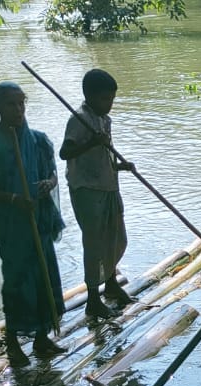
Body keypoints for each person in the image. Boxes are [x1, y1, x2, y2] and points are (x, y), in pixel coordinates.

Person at [0, 81, 67, 367]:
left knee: (44, 276)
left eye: (21, 103)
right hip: (12, 223)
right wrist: (13, 198)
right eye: (11, 104)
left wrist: (47, 184)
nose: (18, 109)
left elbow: (53, 174)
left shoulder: (38, 140)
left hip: (39, 218)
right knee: (17, 281)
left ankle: (42, 337)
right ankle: (13, 341)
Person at [60, 68, 135, 320]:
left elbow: (105, 155)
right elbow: (65, 153)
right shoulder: (79, 119)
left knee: (116, 238)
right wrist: (91, 142)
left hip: (109, 185)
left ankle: (111, 284)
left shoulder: (104, 120)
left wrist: (121, 166)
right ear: (90, 96)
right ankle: (93, 299)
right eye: (105, 99)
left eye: (112, 99)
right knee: (94, 244)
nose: (109, 104)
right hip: (87, 190)